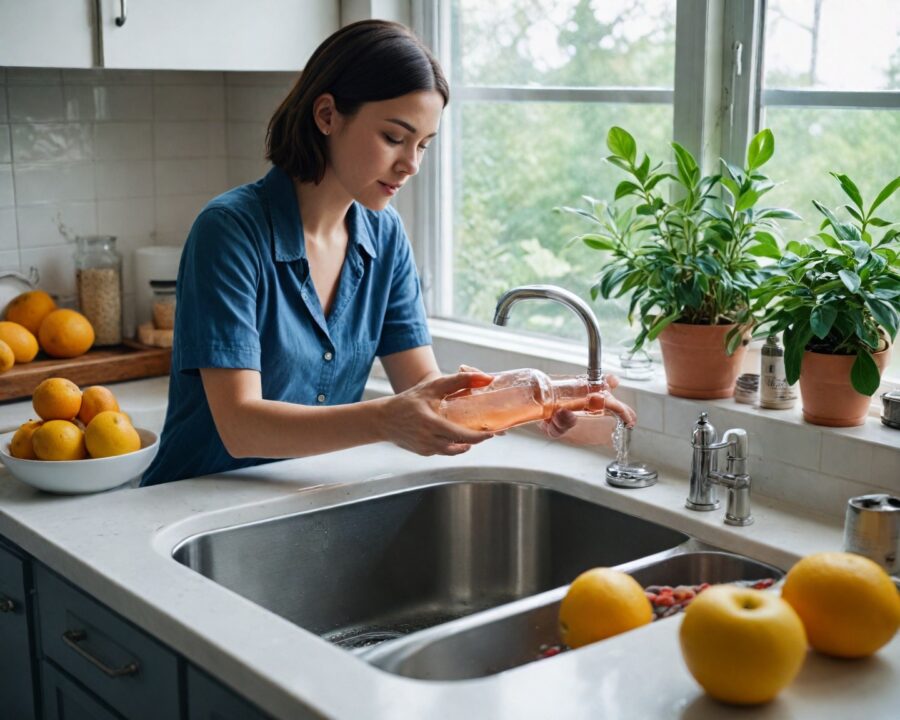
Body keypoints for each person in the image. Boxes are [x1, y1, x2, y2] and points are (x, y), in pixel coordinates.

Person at [141, 20, 635, 487]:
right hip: (186, 504)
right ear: (327, 115)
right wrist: (384, 420)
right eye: (394, 137)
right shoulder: (230, 232)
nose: (411, 164)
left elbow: (427, 392)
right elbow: (240, 425)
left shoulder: (384, 234)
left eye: (423, 145)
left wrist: (542, 399)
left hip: (297, 496)